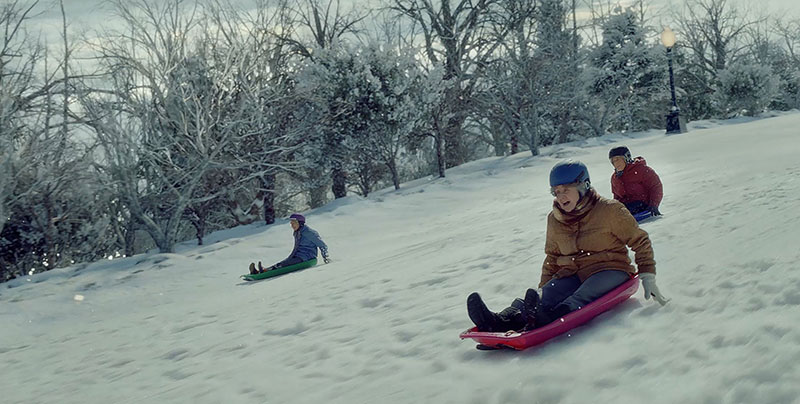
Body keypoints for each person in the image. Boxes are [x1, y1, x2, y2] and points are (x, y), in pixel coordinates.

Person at [466, 160, 668, 333]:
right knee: (547, 294)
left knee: (584, 294)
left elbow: (639, 241)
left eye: (566, 190)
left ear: (584, 185)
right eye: (556, 192)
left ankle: (551, 316)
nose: (561, 197)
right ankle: (498, 321)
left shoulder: (610, 210)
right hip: (572, 273)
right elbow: (552, 258)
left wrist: (647, 276)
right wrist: (540, 294)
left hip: (610, 269)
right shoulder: (555, 219)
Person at [249, 213, 330, 274]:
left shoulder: (309, 232)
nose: (292, 225)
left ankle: (264, 271)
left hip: (307, 257)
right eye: (291, 223)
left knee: (285, 264)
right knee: (282, 263)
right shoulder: (297, 232)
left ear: (300, 223)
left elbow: (322, 245)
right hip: (298, 255)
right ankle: (261, 271)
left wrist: (325, 257)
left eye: (293, 223)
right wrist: (291, 257)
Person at [608, 146, 663, 216]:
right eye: (613, 161)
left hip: (643, 205)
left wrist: (654, 205)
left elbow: (655, 186)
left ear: (626, 158)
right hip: (627, 207)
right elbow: (617, 197)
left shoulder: (641, 170)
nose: (615, 163)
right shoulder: (615, 177)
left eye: (617, 159)